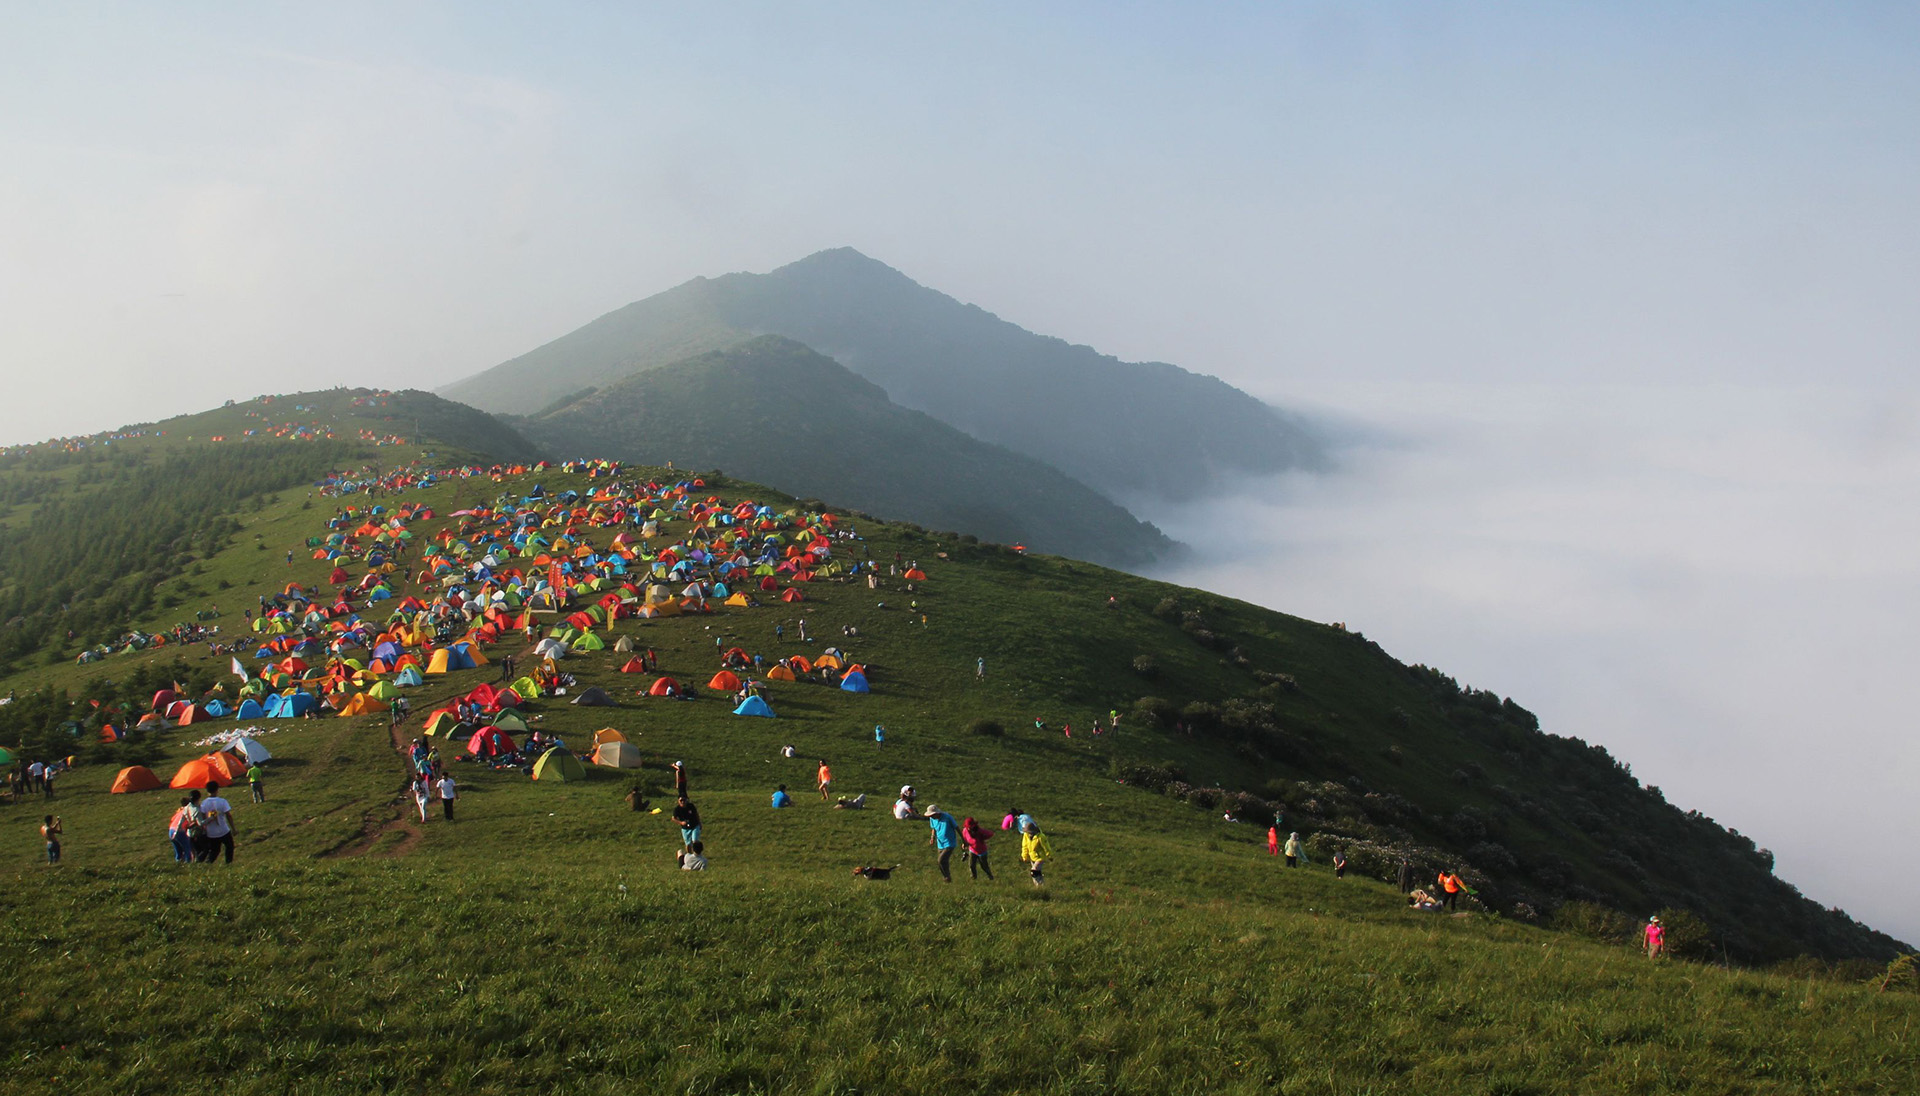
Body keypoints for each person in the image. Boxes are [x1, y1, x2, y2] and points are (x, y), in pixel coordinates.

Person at [199, 783, 235, 864]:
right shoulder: (222, 801)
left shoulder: (204, 803)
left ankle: (208, 862)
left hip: (211, 832)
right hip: (224, 830)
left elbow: (203, 817)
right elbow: (228, 815)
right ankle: (228, 863)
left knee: (215, 850)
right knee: (229, 846)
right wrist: (233, 828)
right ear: (217, 790)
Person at [926, 805, 961, 882]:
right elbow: (933, 828)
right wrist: (932, 837)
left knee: (940, 860)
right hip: (940, 843)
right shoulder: (932, 819)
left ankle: (946, 876)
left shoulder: (947, 817)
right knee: (944, 862)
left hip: (949, 843)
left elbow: (956, 827)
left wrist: (963, 840)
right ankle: (947, 877)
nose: (931, 817)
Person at [1021, 823, 1055, 887]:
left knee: (1034, 870)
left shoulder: (1040, 837)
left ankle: (1040, 886)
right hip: (1032, 857)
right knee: (1037, 873)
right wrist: (1025, 856)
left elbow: (1046, 847)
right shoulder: (1026, 836)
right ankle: (1039, 886)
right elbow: (1024, 846)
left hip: (1040, 857)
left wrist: (1049, 856)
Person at [961, 815, 994, 881]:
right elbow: (964, 838)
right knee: (971, 865)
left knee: (984, 866)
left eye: (971, 827)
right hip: (972, 850)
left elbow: (990, 833)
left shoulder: (979, 831)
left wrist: (983, 838)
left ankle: (990, 877)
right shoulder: (965, 831)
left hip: (981, 852)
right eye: (968, 827)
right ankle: (973, 877)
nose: (970, 828)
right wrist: (964, 844)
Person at [168, 797, 198, 862]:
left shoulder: (180, 811)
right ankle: (188, 864)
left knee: (178, 852)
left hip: (171, 830)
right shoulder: (189, 811)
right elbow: (189, 824)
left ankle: (178, 864)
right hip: (179, 831)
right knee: (187, 850)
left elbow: (172, 820)